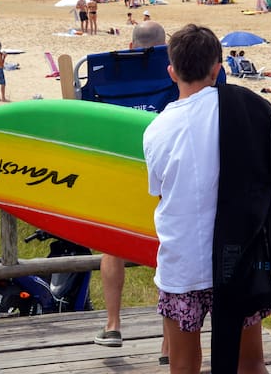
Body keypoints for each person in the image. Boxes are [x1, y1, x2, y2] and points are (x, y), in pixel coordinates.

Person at [143, 24, 271, 374]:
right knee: (250, 362)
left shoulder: (156, 130)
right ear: (218, 69)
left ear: (172, 71)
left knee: (184, 365)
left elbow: (159, 191)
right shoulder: (245, 110)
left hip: (182, 265)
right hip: (239, 261)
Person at [96, 20, 169, 353]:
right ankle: (169, 341)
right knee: (167, 250)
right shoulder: (170, 74)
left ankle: (113, 325)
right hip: (164, 176)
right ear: (165, 47)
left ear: (130, 46)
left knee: (111, 247)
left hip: (118, 173)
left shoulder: (107, 73)